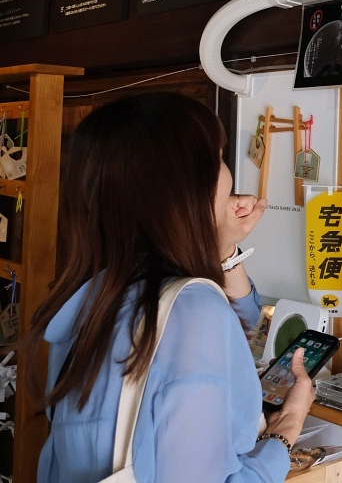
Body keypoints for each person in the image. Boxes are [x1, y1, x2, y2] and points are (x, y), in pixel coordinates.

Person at [25, 93, 315, 482]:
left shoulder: (93, 297)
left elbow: (244, 323)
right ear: (185, 189)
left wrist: (220, 246)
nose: (228, 176)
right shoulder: (192, 312)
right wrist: (287, 430)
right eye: (218, 159)